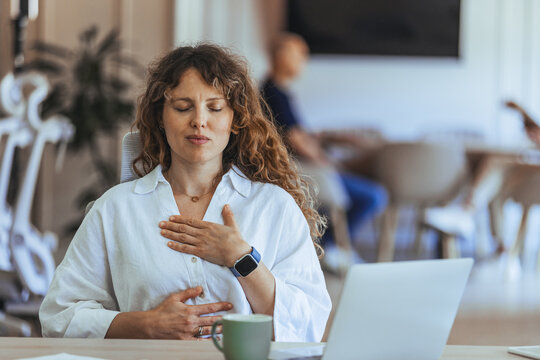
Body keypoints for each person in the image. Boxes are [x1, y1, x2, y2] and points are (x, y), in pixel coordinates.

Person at [39, 44, 331, 341]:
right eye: (182, 107)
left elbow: (310, 323)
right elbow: (59, 315)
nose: (199, 121)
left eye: (215, 108)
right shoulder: (115, 209)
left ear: (235, 120)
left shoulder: (273, 207)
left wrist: (242, 258)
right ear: (161, 117)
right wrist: (145, 325)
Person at [261, 33, 388, 269]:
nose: (303, 61)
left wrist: (320, 138)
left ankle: (328, 246)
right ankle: (329, 246)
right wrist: (326, 161)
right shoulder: (273, 92)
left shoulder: (280, 92)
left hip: (308, 169)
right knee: (374, 196)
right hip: (304, 172)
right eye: (299, 55)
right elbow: (295, 139)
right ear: (281, 56)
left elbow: (296, 132)